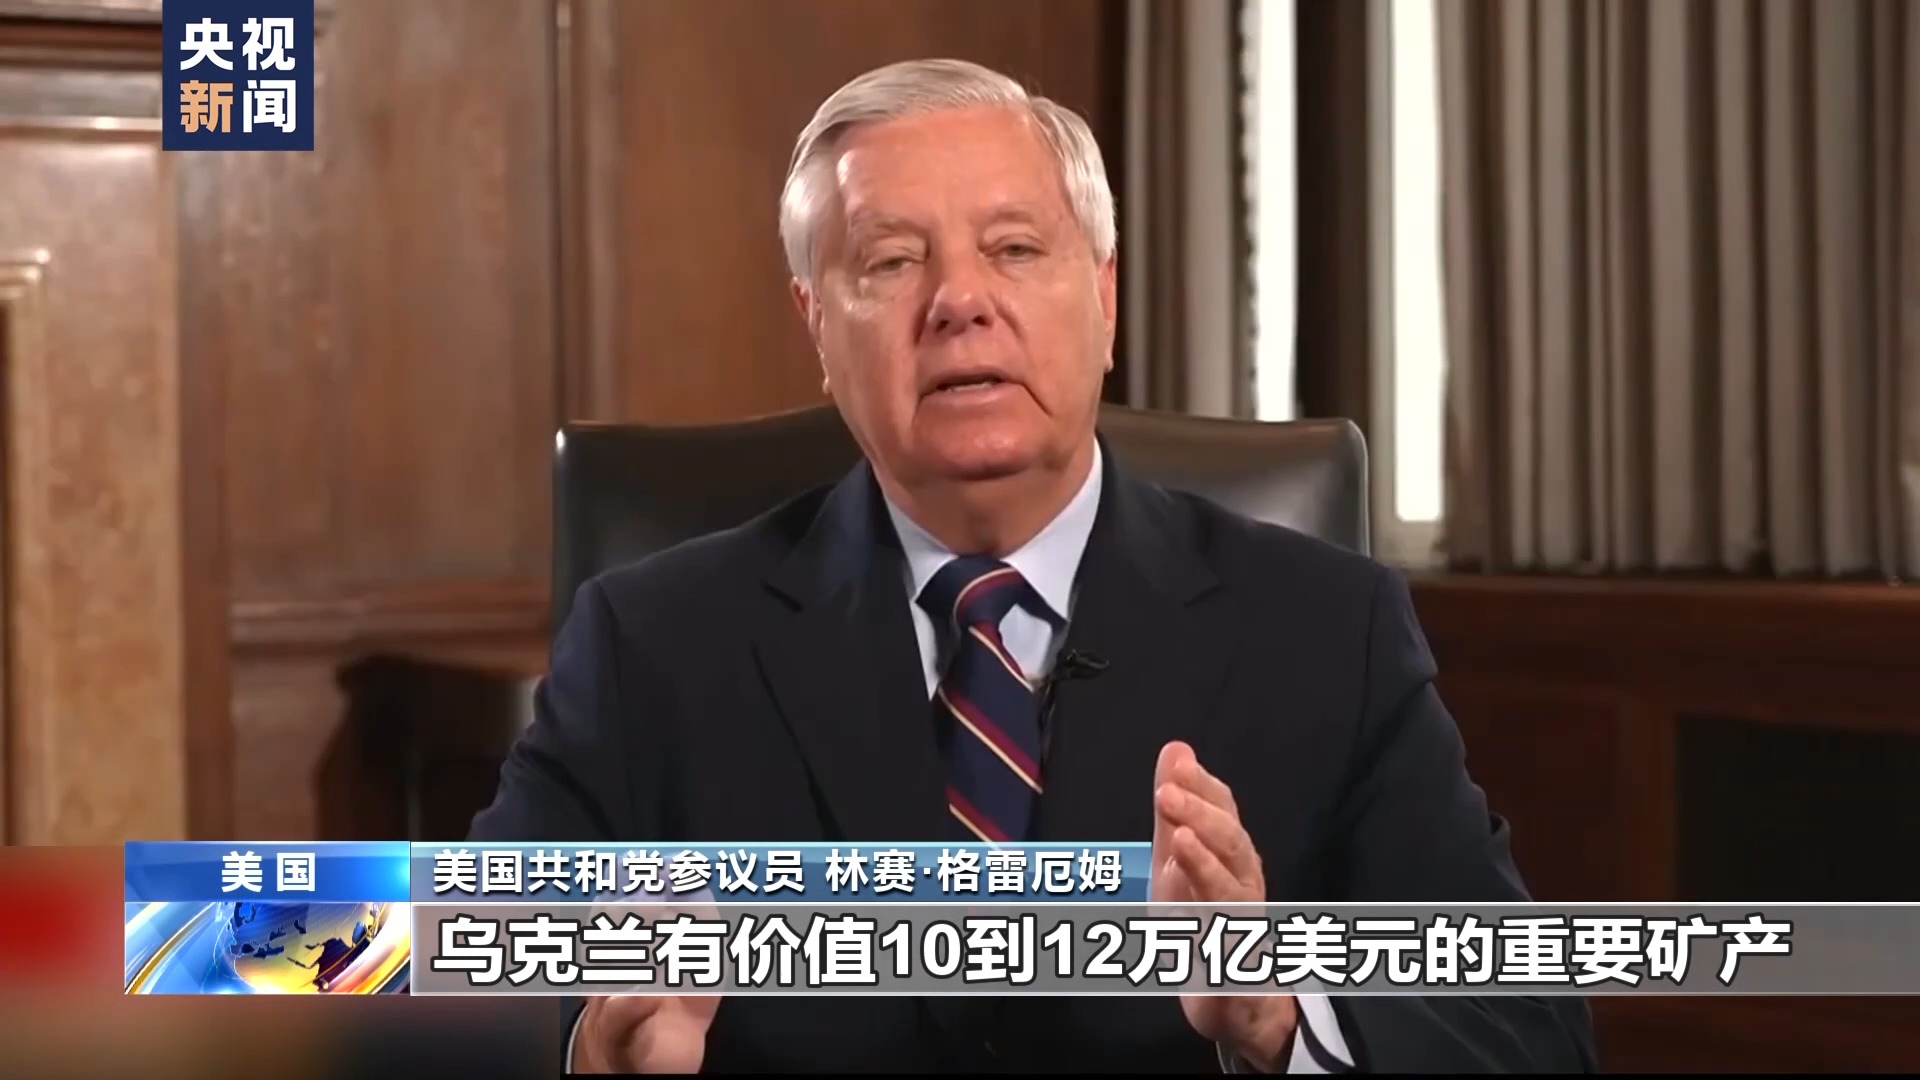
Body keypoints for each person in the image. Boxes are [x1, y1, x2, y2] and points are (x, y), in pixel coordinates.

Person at [468, 57, 1597, 1074]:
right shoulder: (652, 646)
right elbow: (439, 993)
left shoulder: (1326, 631)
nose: (960, 302)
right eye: (892, 261)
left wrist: (1278, 1016)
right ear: (816, 324)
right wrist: (590, 1052)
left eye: (1014, 249)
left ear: (1104, 296)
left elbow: (1523, 1028)